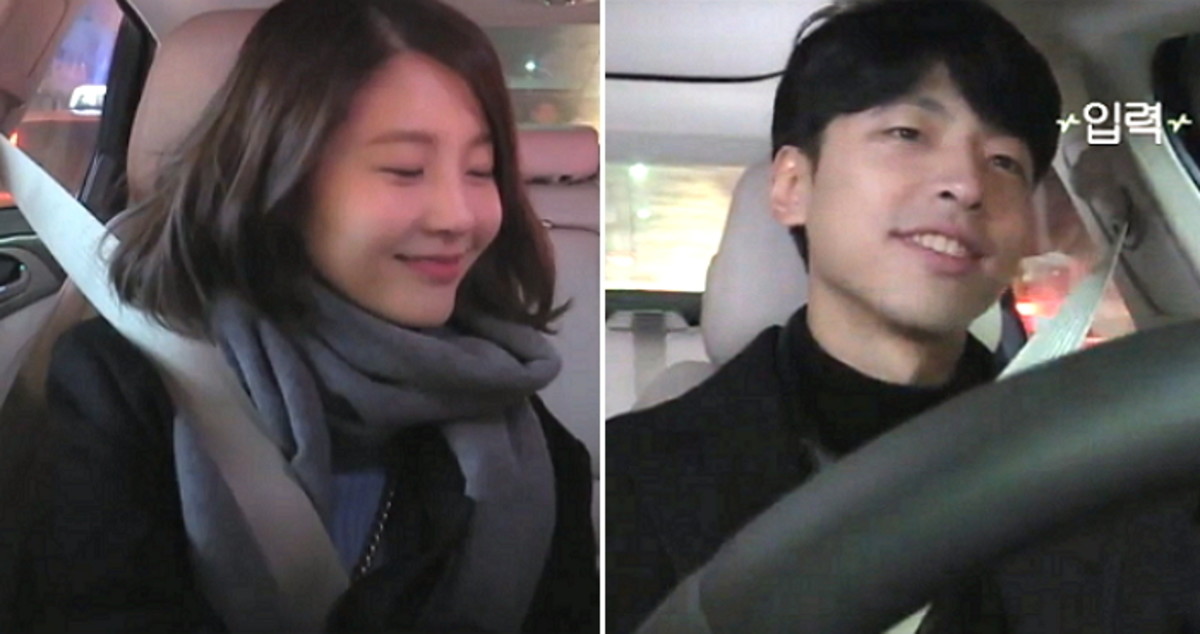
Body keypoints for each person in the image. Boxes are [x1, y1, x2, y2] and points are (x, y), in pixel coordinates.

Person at [606, 0, 1197, 631]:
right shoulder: (630, 477)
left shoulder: (1111, 478)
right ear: (792, 186)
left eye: (1004, 161)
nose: (966, 184)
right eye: (908, 134)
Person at [18, 0, 598, 631]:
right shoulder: (125, 387)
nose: (458, 216)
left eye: (481, 171)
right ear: (281, 178)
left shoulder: (534, 445)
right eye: (406, 170)